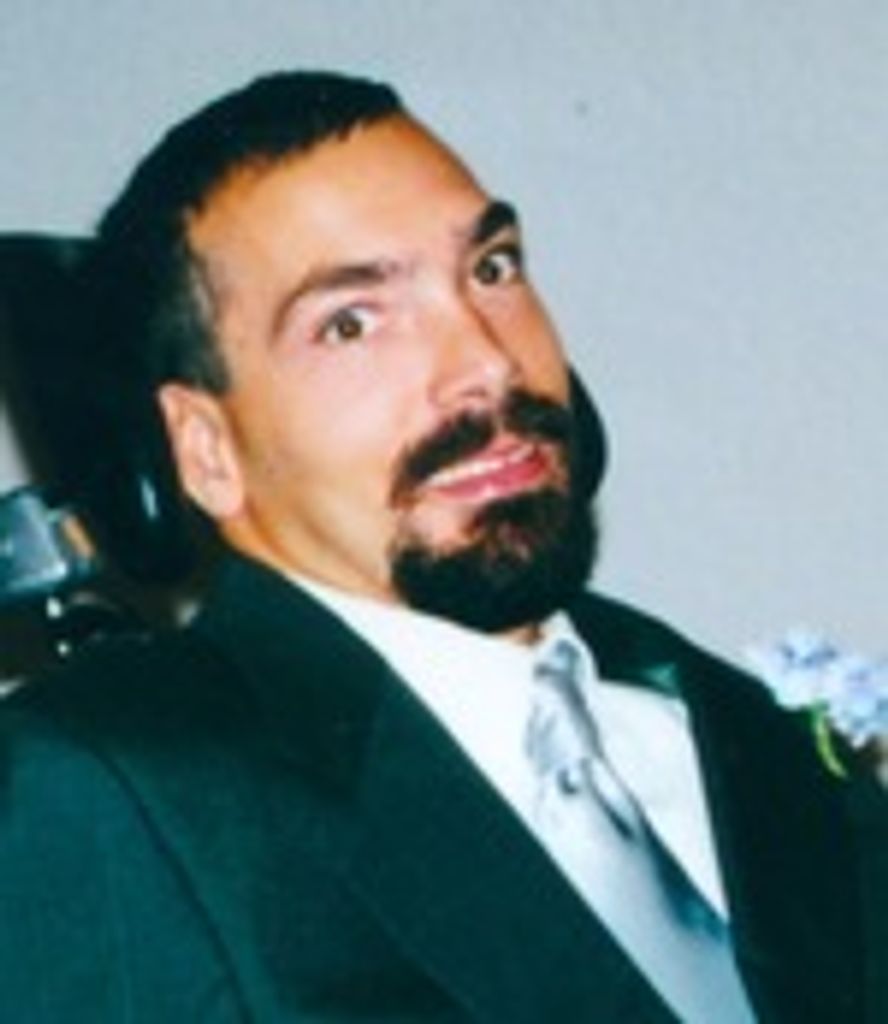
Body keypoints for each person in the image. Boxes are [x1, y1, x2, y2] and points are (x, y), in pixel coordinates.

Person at [0, 71, 868, 1022]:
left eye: (491, 269)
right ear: (207, 449)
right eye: (350, 323)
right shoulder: (114, 793)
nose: (487, 363)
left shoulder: (737, 726)